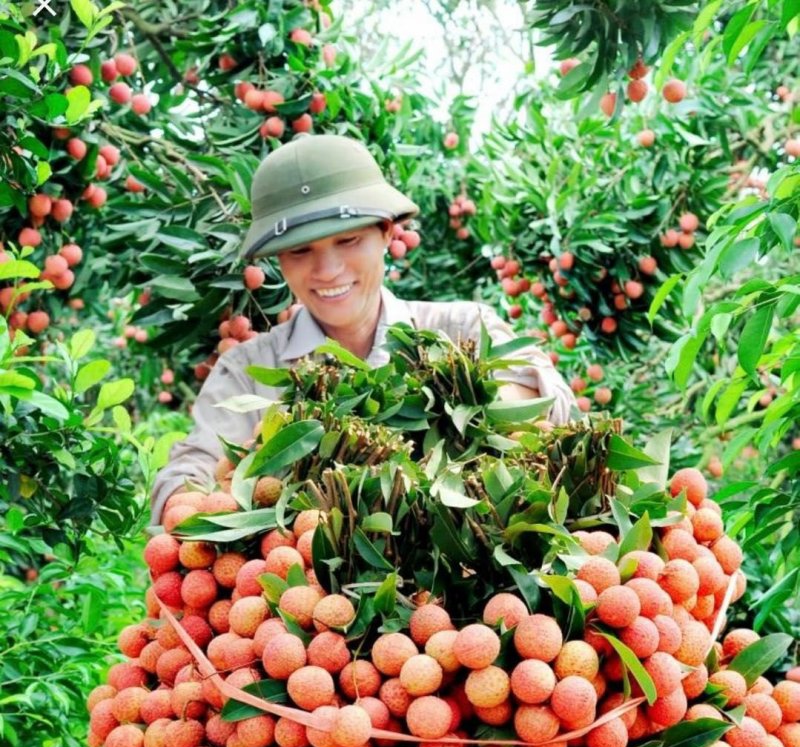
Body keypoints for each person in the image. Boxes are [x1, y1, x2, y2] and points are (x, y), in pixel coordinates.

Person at [151, 134, 574, 523]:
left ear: (387, 232)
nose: (328, 270)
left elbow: (558, 412)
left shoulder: (462, 329)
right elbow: (184, 476)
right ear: (278, 259)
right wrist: (242, 468)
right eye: (300, 251)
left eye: (348, 241)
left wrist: (478, 404)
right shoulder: (247, 370)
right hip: (306, 595)